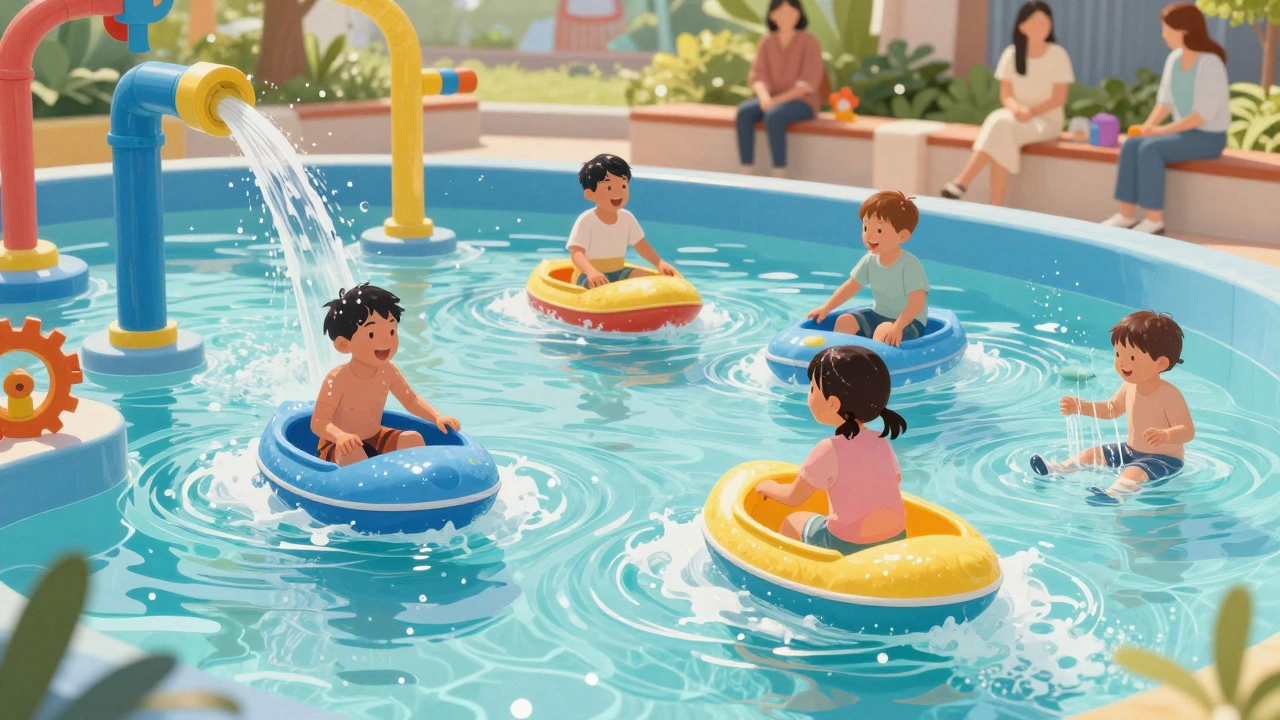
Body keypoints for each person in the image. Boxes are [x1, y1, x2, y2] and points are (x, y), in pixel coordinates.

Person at [755, 346, 909, 555]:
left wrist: (768, 486)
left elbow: (793, 497)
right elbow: (895, 481)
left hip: (848, 546)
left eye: (812, 389)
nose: (809, 396)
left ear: (832, 403)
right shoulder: (881, 441)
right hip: (896, 538)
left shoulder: (829, 449)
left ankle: (793, 574)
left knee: (793, 522)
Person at [1030, 311, 1195, 504]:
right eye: (1118, 354)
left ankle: (1116, 494)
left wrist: (1166, 435)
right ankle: (1058, 469)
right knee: (1092, 454)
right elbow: (1112, 409)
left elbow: (1187, 431)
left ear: (1160, 363)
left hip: (1163, 459)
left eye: (1132, 358)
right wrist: (1081, 407)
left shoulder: (1169, 395)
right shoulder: (1129, 386)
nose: (1123, 363)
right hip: (1130, 451)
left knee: (1134, 471)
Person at [1102, 3, 1229, 235]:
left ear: (1185, 30)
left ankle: (1154, 220)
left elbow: (1200, 117)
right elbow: (1165, 102)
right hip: (1182, 133)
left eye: (1167, 29)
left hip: (1208, 137)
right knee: (1132, 144)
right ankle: (1126, 215)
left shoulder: (1210, 64)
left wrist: (1160, 132)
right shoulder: (1174, 59)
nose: (1163, 35)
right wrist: (1148, 126)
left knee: (1151, 149)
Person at [311, 283, 460, 467]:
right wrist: (340, 436)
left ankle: (410, 484)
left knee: (414, 439)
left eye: (391, 331)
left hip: (375, 437)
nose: (386, 340)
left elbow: (411, 400)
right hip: (338, 444)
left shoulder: (388, 371)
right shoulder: (338, 378)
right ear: (344, 344)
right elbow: (318, 422)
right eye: (372, 334)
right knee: (353, 453)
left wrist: (437, 416)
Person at [941, 1, 1074, 206]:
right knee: (999, 125)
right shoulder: (1011, 54)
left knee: (1000, 126)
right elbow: (1006, 94)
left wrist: (1031, 111)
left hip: (1046, 121)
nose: (1041, 27)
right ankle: (995, 205)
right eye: (1035, 22)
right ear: (1022, 26)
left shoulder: (1058, 55)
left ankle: (962, 182)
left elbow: (1059, 97)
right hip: (1017, 117)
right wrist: (1016, 109)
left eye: (1045, 23)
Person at [808, 191, 928, 347]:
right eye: (865, 228)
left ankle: (875, 364)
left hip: (909, 323)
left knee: (884, 331)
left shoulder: (909, 265)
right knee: (845, 321)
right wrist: (826, 308)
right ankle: (838, 357)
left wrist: (898, 327)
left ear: (902, 236)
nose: (869, 236)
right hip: (878, 315)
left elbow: (917, 302)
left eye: (879, 230)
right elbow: (851, 286)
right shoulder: (870, 260)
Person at [736, 0, 825, 178]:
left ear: (799, 14)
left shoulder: (809, 41)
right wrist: (764, 97)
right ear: (771, 15)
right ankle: (746, 170)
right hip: (771, 99)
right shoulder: (767, 41)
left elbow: (807, 83)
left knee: (774, 115)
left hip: (802, 101)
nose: (786, 17)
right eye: (780, 13)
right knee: (744, 112)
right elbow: (758, 75)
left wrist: (775, 101)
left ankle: (779, 171)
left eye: (791, 12)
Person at [567, 154, 679, 288]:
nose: (617, 193)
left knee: (651, 281)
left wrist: (659, 262)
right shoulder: (586, 220)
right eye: (608, 188)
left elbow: (641, 245)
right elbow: (577, 253)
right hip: (588, 275)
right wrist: (591, 272)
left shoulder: (627, 218)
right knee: (597, 286)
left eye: (623, 186)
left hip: (618, 272)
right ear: (590, 194)